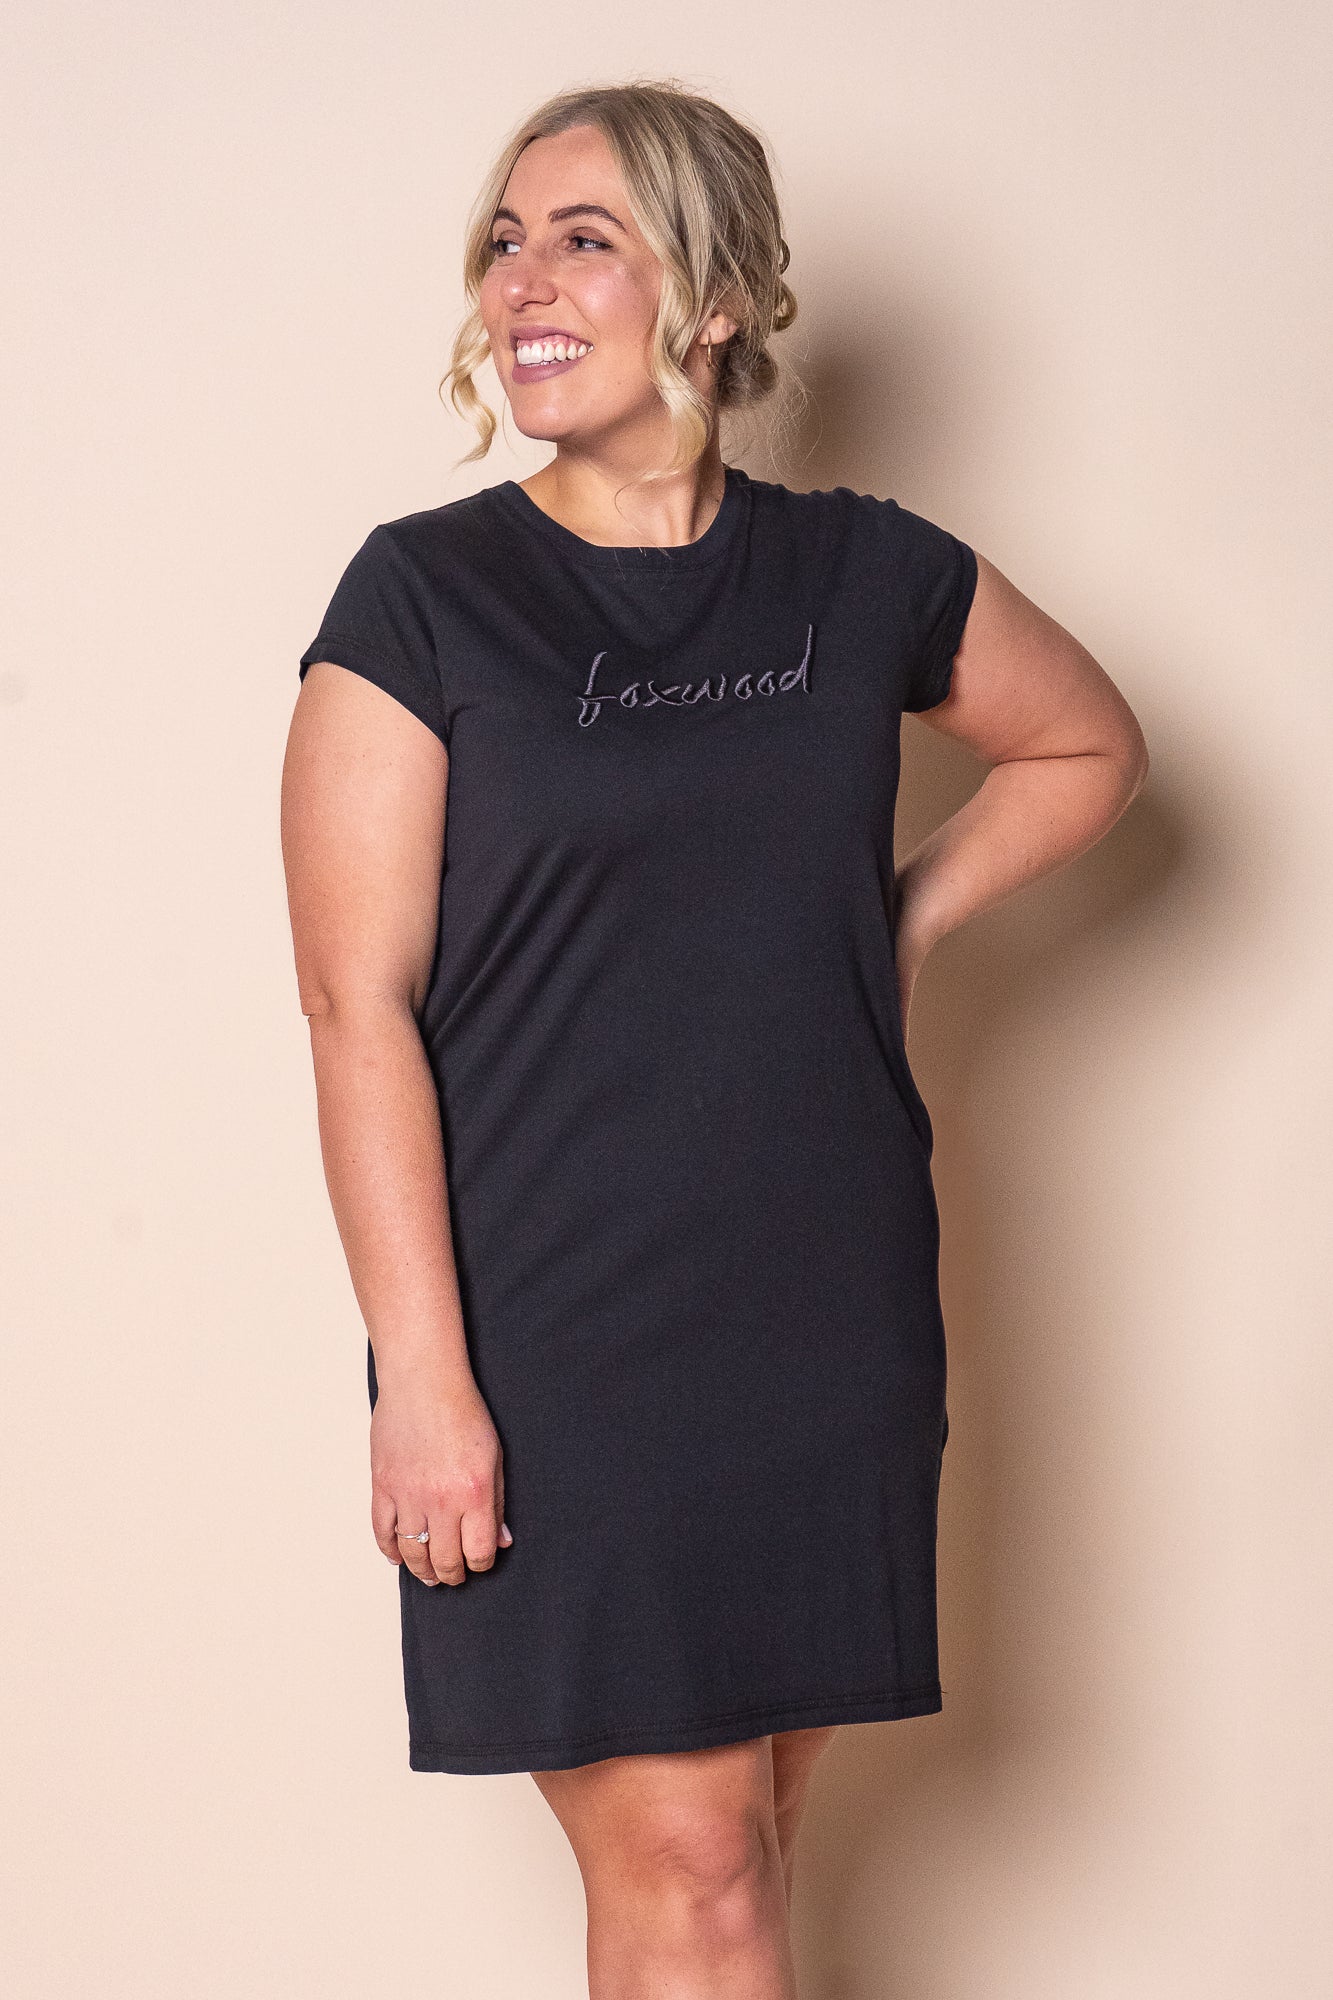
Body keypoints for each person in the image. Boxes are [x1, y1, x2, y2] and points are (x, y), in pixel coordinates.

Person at [281, 78, 1148, 2000]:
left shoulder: (860, 574)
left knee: (735, 1857)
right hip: (558, 1327)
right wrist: (423, 1379)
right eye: (504, 241)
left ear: (717, 295)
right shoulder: (424, 600)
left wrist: (896, 917)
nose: (522, 279)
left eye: (583, 238)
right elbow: (356, 1009)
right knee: (692, 1863)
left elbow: (1087, 744)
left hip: (822, 1304)